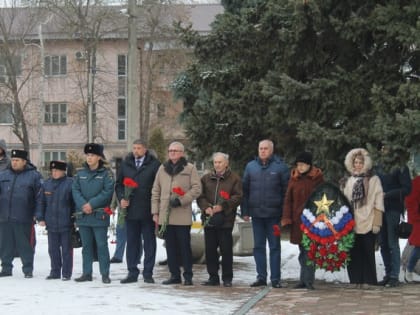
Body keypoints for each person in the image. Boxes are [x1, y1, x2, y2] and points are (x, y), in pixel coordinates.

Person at [151, 141, 201, 286]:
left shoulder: (190, 168)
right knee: (170, 247)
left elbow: (197, 189)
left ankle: (188, 275)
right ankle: (174, 275)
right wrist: (155, 211)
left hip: (182, 215)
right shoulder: (162, 168)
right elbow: (155, 190)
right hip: (165, 215)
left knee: (184, 247)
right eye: (170, 150)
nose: (172, 153)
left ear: (182, 153)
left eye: (175, 150)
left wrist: (182, 200)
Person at [241, 139, 289, 288]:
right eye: (260, 148)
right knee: (258, 247)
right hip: (256, 215)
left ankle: (275, 279)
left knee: (274, 246)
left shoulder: (280, 167)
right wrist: (245, 211)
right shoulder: (251, 167)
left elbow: (286, 192)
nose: (262, 151)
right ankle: (261, 277)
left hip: (274, 216)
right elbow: (245, 190)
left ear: (271, 150)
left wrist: (284, 214)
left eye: (265, 148)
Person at [115, 139, 160, 284]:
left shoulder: (154, 165)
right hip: (131, 211)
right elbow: (119, 185)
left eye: (139, 148)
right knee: (132, 243)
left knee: (149, 243)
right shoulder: (126, 164)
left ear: (145, 149)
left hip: (147, 210)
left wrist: (156, 209)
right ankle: (132, 272)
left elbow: (158, 187)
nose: (136, 151)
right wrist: (122, 198)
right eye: (134, 148)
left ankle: (148, 273)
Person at [197, 152, 243, 287]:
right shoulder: (206, 178)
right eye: (215, 162)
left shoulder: (234, 179)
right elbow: (200, 196)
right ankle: (213, 277)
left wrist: (222, 207)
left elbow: (238, 197)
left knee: (226, 250)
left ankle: (227, 278)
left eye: (220, 162)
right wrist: (206, 207)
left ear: (226, 163)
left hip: (226, 220)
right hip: (209, 219)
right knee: (210, 250)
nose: (217, 165)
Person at [72, 143, 115, 284]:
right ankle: (87, 273)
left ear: (99, 157)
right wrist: (83, 204)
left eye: (92, 155)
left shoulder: (106, 174)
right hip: (83, 214)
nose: (89, 158)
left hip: (98, 215)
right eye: (88, 155)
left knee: (101, 245)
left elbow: (107, 192)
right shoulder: (80, 173)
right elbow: (75, 190)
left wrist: (91, 204)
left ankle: (105, 273)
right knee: (86, 246)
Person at [342, 148, 384, 289]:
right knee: (354, 252)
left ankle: (369, 280)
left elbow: (379, 201)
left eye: (361, 162)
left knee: (367, 252)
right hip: (352, 221)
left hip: (368, 219)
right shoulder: (349, 180)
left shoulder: (373, 180)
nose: (358, 165)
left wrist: (377, 222)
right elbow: (345, 201)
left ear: (365, 163)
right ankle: (355, 280)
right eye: (355, 162)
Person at [281, 151, 324, 290]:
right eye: (298, 165)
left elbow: (324, 199)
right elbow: (288, 199)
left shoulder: (317, 178)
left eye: (302, 164)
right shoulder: (294, 179)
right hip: (298, 221)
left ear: (309, 165)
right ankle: (303, 279)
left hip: (313, 221)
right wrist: (286, 217)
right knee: (302, 251)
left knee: (310, 251)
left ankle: (308, 280)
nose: (300, 167)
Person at [0, 149, 43, 278]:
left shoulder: (34, 176)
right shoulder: (3, 175)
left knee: (25, 245)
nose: (14, 163)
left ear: (24, 162)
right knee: (5, 245)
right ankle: (6, 268)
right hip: (5, 216)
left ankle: (28, 269)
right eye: (13, 160)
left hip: (24, 216)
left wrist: (38, 214)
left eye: (17, 160)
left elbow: (40, 198)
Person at [376, 146, 412, 287]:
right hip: (379, 208)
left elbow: (407, 188)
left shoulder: (400, 166)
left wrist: (388, 194)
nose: (384, 149)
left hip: (393, 208)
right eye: (382, 147)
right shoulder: (378, 165)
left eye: (387, 146)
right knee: (383, 242)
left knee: (392, 242)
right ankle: (388, 273)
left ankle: (394, 276)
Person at [38, 161, 75, 281]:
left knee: (66, 250)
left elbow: (74, 203)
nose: (54, 173)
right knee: (52, 249)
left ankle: (66, 272)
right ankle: (55, 271)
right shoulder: (46, 184)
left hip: (66, 222)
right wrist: (41, 217)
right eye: (52, 171)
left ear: (63, 171)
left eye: (57, 171)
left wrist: (75, 218)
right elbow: (41, 202)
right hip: (51, 222)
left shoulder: (70, 183)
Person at [404, 175, 420, 282]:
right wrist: (415, 215)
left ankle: (409, 270)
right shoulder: (417, 182)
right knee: (419, 247)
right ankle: (409, 270)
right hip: (418, 219)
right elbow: (410, 200)